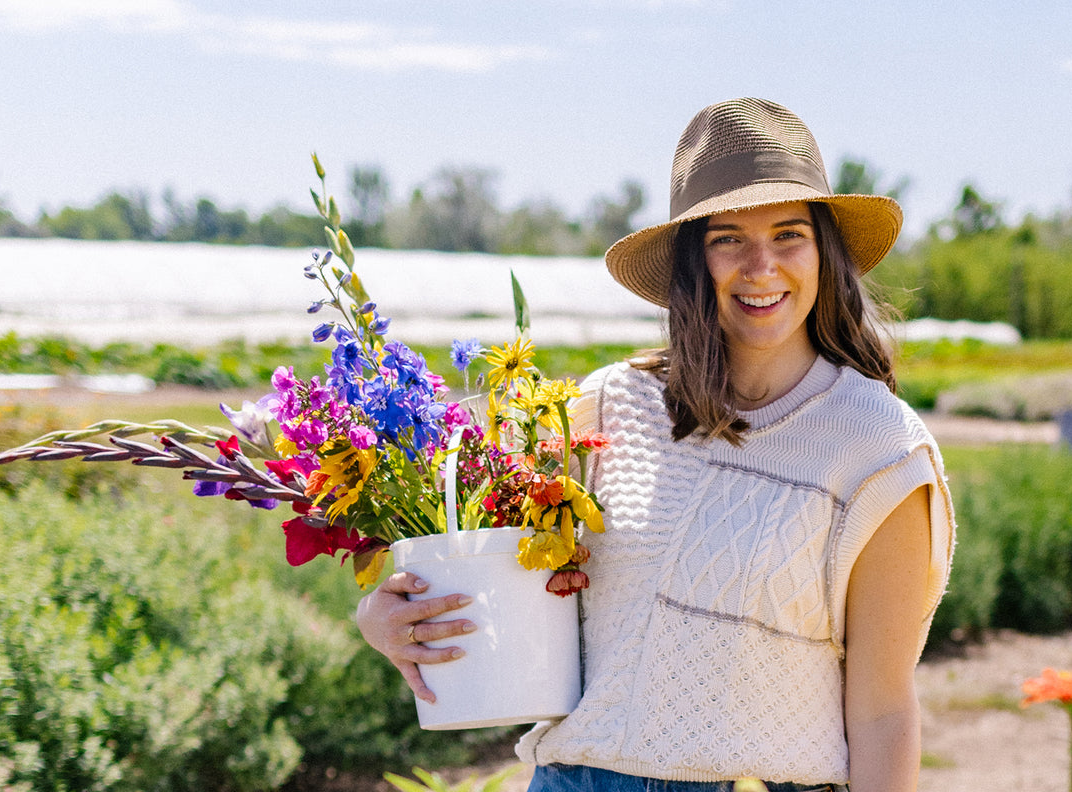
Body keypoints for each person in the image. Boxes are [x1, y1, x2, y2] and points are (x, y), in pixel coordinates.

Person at [356, 98, 955, 792]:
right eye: (728, 237)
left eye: (788, 233)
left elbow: (883, 713)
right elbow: (481, 563)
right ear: (694, 262)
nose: (761, 266)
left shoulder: (878, 450)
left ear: (825, 251)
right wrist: (383, 613)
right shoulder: (607, 404)